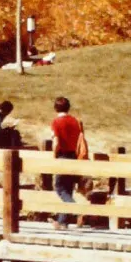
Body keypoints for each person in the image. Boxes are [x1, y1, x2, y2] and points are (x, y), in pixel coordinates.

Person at [51, 96, 83, 228]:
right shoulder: (75, 121)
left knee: (59, 187)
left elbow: (56, 142)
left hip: (62, 155)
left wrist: (54, 154)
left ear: (55, 108)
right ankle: (62, 222)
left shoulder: (56, 122)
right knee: (68, 189)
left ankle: (77, 211)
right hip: (73, 155)